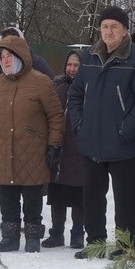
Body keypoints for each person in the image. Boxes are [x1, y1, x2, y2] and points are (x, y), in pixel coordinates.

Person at [68, 5, 135, 256]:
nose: (108, 31)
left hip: (123, 144)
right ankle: (95, 243)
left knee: (126, 200)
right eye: (105, 26)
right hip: (91, 141)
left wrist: (125, 130)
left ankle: (125, 245)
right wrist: (79, 125)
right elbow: (75, 95)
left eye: (114, 27)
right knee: (92, 198)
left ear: (124, 30)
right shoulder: (89, 58)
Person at [0, 34, 65, 252]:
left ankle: (32, 238)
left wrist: (54, 145)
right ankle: (9, 238)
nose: (6, 60)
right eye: (2, 56)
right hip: (3, 149)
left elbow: (56, 116)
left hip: (33, 150)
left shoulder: (41, 81)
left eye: (9, 55)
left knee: (32, 198)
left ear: (21, 55)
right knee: (7, 198)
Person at [43, 50, 85, 249]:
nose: (72, 69)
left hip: (78, 148)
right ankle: (56, 232)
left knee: (78, 195)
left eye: (76, 65)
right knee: (57, 193)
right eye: (69, 65)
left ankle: (78, 233)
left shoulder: (89, 86)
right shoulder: (56, 85)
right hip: (58, 147)